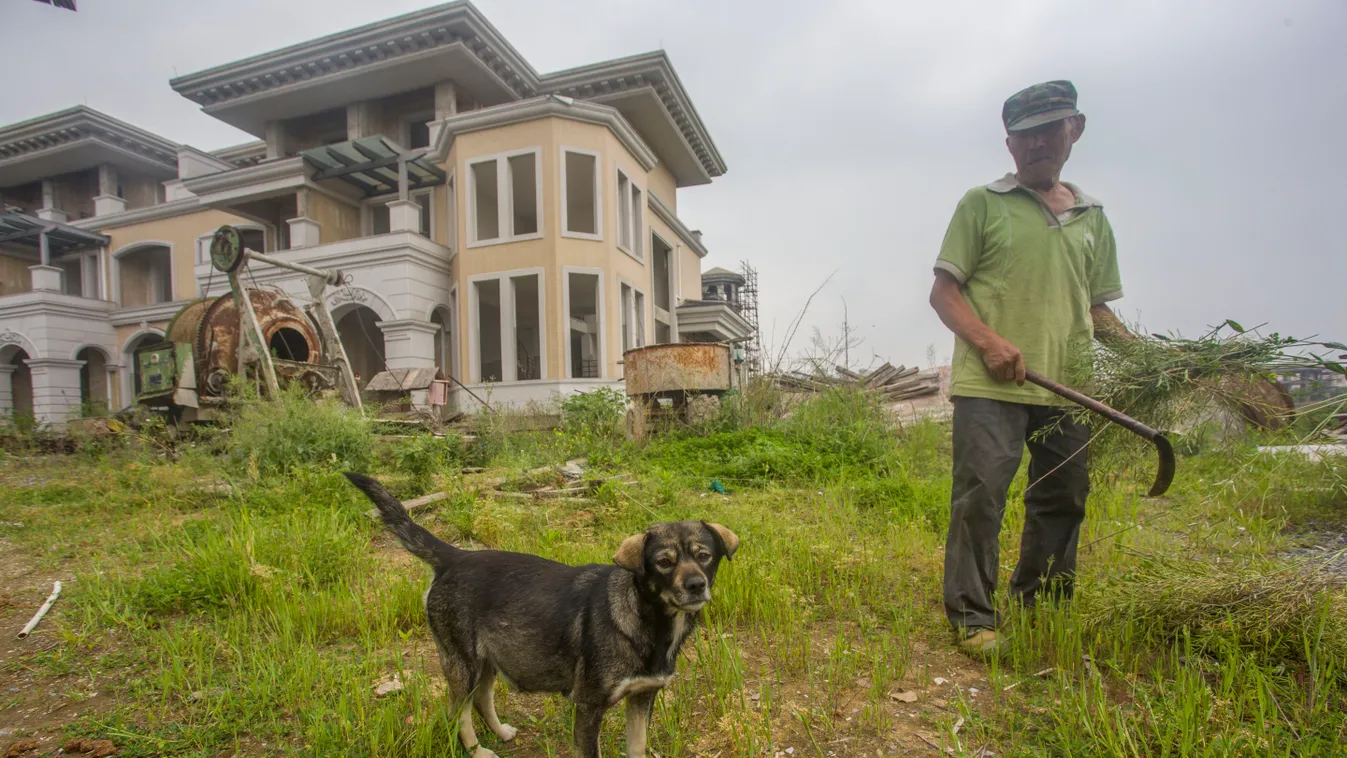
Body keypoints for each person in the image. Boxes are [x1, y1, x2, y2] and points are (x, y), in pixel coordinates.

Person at [929, 80, 1131, 655]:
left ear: (1076, 129)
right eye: (1026, 135)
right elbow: (944, 294)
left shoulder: (1093, 217)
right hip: (990, 385)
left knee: (1063, 496)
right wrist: (990, 342)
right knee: (980, 497)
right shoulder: (982, 203)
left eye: (1051, 129)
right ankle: (973, 617)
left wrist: (1152, 363)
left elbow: (1097, 309)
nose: (1040, 142)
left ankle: (1040, 602)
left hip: (1069, 386)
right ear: (1010, 145)